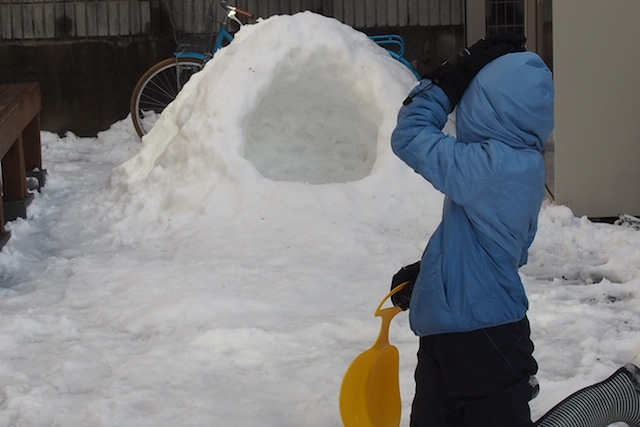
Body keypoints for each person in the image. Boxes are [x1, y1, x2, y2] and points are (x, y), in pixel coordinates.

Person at [388, 34, 640, 427]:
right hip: (463, 336)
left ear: (487, 105)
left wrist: (449, 79)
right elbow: (492, 249)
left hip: (483, 342)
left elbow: (409, 136)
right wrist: (432, 279)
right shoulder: (516, 167)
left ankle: (618, 397)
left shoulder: (494, 167)